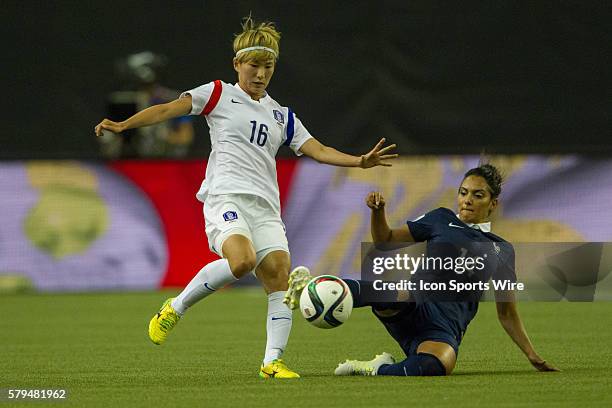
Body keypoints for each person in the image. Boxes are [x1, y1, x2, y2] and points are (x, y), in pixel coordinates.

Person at [94, 17, 398, 379]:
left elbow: (317, 149)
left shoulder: (282, 115)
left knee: (279, 278)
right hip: (227, 197)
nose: (260, 73)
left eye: (267, 66)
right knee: (242, 262)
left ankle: (272, 363)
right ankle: (175, 307)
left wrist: (359, 161)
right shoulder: (218, 93)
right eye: (253, 65)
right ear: (237, 64)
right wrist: (124, 125)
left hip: (266, 207)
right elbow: (167, 110)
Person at [285, 163, 559, 376]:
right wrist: (378, 212)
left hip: (444, 329)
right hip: (413, 303)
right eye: (463, 193)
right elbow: (385, 240)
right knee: (394, 292)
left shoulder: (501, 250)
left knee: (438, 366)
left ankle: (375, 367)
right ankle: (314, 286)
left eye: (478, 195)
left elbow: (507, 313)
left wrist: (531, 354)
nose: (467, 200)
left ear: (493, 203)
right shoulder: (442, 218)